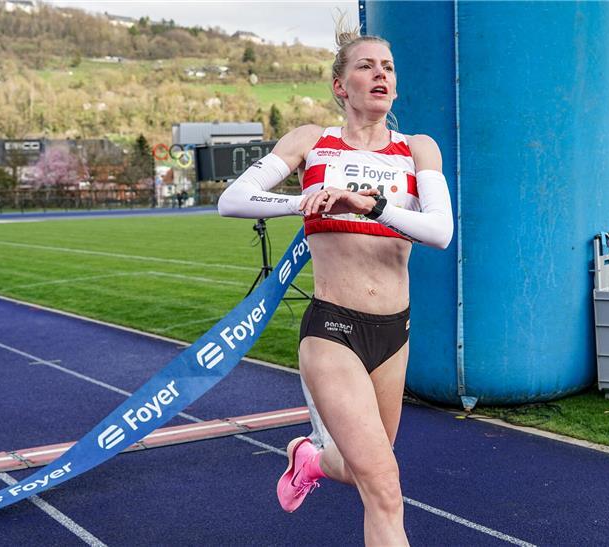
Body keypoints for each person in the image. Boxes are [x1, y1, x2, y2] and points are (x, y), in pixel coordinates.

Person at [217, 20, 452, 546]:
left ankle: (310, 459)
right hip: (333, 331)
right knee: (385, 487)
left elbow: (440, 232)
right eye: (366, 66)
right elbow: (231, 199)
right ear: (340, 86)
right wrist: (302, 201)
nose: (380, 75)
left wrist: (370, 204)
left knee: (362, 467)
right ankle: (319, 460)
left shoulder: (417, 149)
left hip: (393, 332)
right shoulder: (312, 142)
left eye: (387, 67)